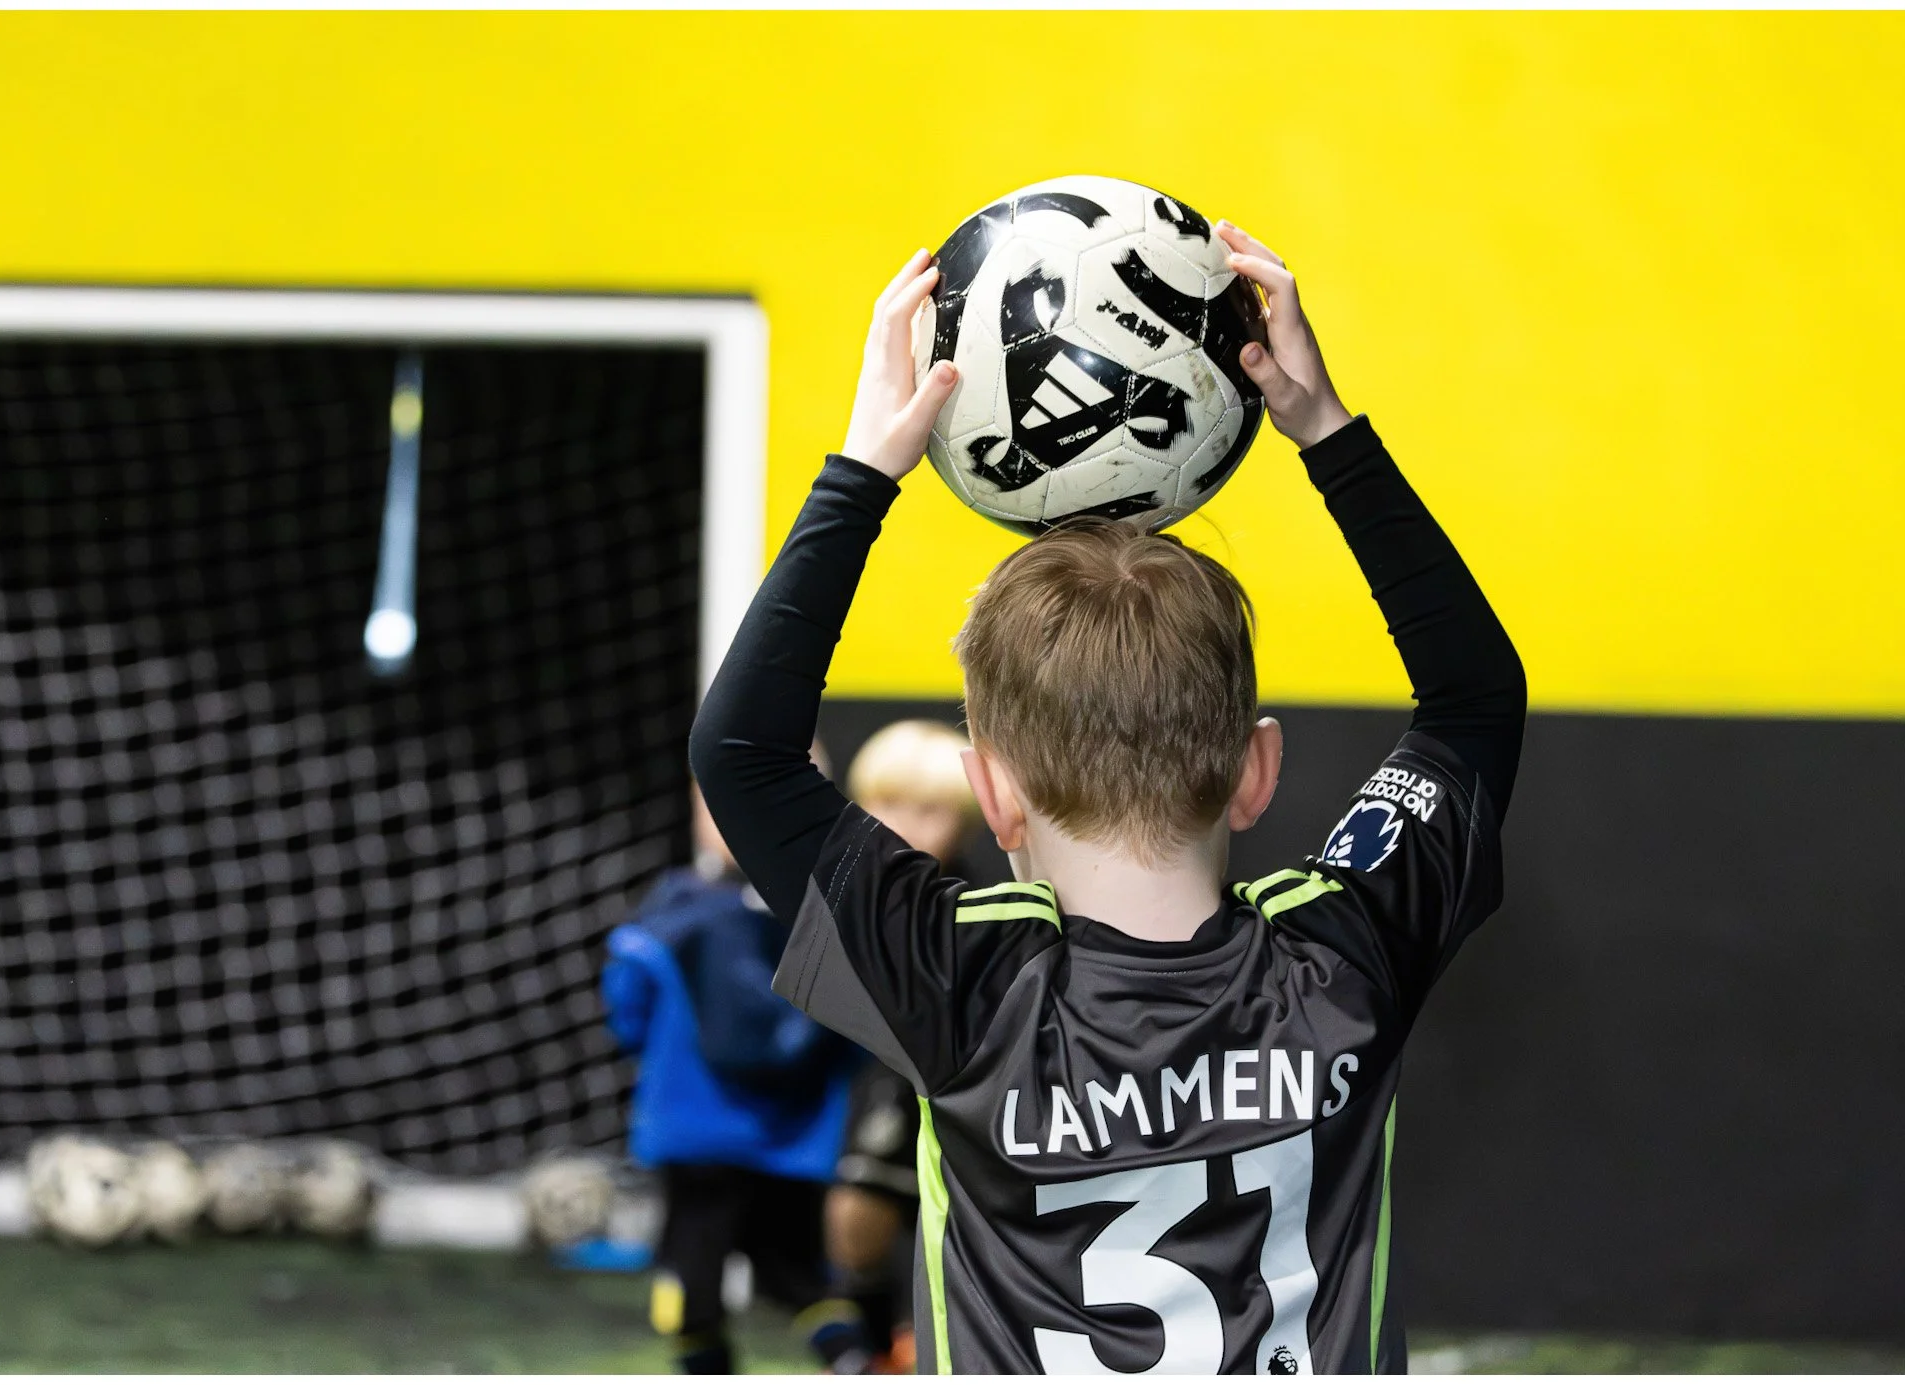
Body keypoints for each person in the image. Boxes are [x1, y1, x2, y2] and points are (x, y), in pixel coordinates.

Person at [690, 227, 1525, 1374]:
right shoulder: (1343, 955)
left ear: (993, 790)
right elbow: (1473, 700)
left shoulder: (958, 978)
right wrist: (1324, 429)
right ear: (1255, 769)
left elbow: (739, 751)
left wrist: (864, 470)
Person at [602, 779, 867, 1373]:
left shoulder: (676, 910)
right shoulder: (830, 916)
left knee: (688, 1285)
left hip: (695, 1128)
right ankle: (856, 1364)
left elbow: (627, 1004)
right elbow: (860, 1033)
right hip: (790, 1137)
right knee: (800, 1277)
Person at [830, 720, 981, 1372]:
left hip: (958, 1085)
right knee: (853, 1219)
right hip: (878, 1079)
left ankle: (920, 1336)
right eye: (885, 803)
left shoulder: (974, 903)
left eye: (929, 809)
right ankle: (871, 1343)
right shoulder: (845, 889)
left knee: (949, 1227)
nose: (903, 823)